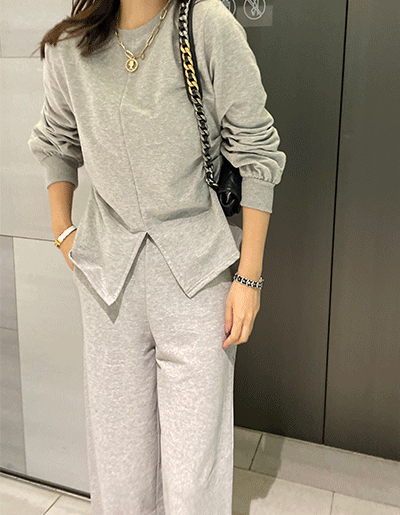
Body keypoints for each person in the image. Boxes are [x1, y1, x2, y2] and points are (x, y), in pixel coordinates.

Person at [27, 0, 286, 513]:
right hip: (108, 282)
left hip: (197, 275)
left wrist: (249, 277)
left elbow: (256, 152)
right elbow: (57, 139)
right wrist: (62, 230)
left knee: (193, 475)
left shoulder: (207, 26)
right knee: (119, 468)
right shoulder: (72, 45)